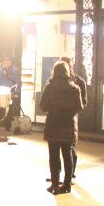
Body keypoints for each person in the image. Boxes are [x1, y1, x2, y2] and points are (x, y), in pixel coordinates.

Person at [39, 61, 83, 195]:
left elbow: (43, 106)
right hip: (68, 124)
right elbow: (79, 107)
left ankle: (54, 183)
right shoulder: (75, 88)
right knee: (67, 154)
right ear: (67, 72)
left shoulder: (49, 87)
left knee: (53, 155)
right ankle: (67, 184)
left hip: (53, 123)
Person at [0, 56, 22, 131]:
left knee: (9, 109)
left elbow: (18, 81)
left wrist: (16, 92)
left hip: (11, 92)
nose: (7, 62)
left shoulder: (15, 70)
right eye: (5, 60)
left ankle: (7, 126)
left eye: (8, 60)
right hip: (1, 92)